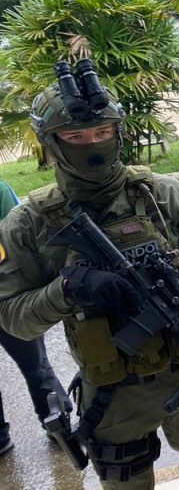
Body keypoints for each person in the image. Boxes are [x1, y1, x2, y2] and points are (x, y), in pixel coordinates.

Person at [0, 75, 179, 489]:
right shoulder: (29, 224)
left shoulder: (166, 197)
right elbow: (13, 318)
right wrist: (68, 289)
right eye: (75, 136)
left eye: (102, 131)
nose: (92, 144)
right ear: (51, 142)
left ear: (118, 131)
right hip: (113, 394)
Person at [0, 178, 73, 458]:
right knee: (36, 365)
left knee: (35, 364)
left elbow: (15, 242)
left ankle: (59, 423)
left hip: (9, 295)